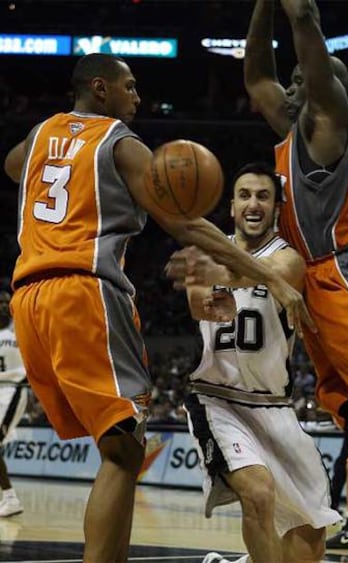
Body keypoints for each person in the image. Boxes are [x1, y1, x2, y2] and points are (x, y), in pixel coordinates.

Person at [3, 53, 314, 563]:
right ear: (100, 89)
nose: (138, 97)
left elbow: (15, 167)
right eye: (130, 86)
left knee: (117, 448)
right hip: (84, 291)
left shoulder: (40, 134)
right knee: (125, 449)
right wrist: (269, 280)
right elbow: (186, 224)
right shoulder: (119, 142)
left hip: (28, 296)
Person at [242, 0, 348, 539]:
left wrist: (300, 19)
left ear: (324, 87)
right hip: (317, 296)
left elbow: (311, 52)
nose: (290, 88)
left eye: (302, 79)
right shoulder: (293, 130)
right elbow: (257, 78)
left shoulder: (332, 124)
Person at [182, 163, 341, 563]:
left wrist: (225, 277)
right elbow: (199, 302)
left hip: (274, 406)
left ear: (276, 207)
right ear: (232, 206)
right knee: (257, 492)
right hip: (217, 399)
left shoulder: (289, 260)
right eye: (245, 195)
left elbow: (269, 272)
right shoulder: (202, 255)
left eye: (263, 196)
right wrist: (215, 296)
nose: (253, 204)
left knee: (309, 536)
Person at [0, 290, 27, 518]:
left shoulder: (20, 327)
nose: (2, 305)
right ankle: (9, 497)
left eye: (5, 302)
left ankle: (10, 498)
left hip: (12, 391)